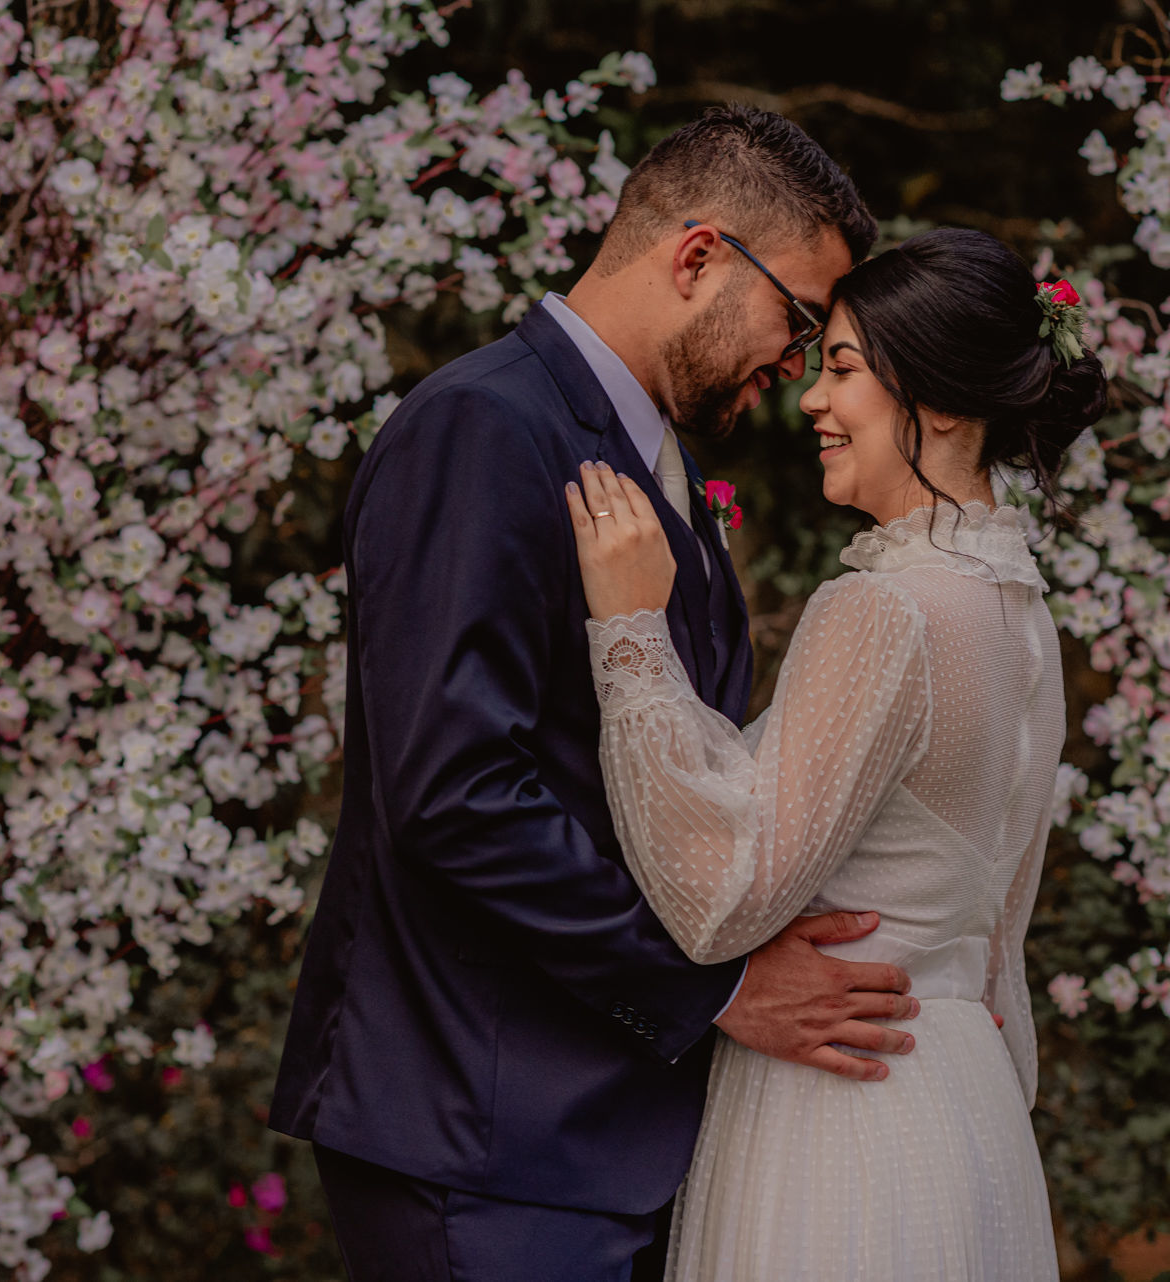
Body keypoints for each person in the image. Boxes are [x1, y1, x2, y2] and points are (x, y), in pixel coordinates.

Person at [269, 106, 919, 1282]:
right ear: (698, 256)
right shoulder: (481, 428)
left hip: (601, 1135)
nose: (796, 361)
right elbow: (455, 793)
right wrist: (712, 986)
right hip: (486, 1130)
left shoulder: (650, 458)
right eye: (799, 317)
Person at [564, 228, 1108, 1280]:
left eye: (845, 368)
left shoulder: (886, 610)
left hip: (846, 1107)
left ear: (942, 405)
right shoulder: (1018, 612)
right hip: (961, 1101)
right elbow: (997, 927)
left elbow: (723, 893)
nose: (812, 397)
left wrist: (630, 633)